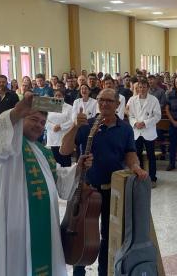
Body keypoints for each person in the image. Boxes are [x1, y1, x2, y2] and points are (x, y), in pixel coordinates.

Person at [0, 92, 93, 276]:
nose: (39, 126)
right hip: (16, 224)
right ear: (21, 119)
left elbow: (60, 183)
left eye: (42, 123)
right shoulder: (11, 145)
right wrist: (17, 110)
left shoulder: (43, 151)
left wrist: (78, 167)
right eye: (34, 119)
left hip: (45, 226)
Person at [60, 88, 147, 276]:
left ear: (117, 104)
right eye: (101, 100)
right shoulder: (87, 125)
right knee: (81, 233)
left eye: (109, 101)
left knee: (108, 237)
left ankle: (103, 272)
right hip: (86, 191)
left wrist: (136, 167)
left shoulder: (124, 129)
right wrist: (75, 126)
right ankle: (78, 271)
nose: (104, 104)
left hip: (111, 191)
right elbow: (64, 150)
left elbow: (130, 154)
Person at [127, 79, 161, 188]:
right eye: (140, 87)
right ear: (137, 88)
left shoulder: (153, 100)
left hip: (149, 131)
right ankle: (139, 177)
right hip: (136, 132)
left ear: (148, 88)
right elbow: (130, 114)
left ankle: (152, 178)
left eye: (144, 87)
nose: (141, 89)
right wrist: (135, 123)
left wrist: (145, 123)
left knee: (151, 156)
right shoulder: (132, 100)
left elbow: (157, 116)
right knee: (137, 156)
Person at [46, 89, 73, 167]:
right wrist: (53, 127)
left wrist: (61, 126)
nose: (57, 97)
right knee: (55, 162)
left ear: (63, 97)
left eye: (59, 95)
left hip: (64, 137)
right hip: (52, 137)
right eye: (56, 95)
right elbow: (44, 120)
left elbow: (72, 121)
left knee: (65, 162)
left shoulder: (69, 107)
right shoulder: (49, 106)